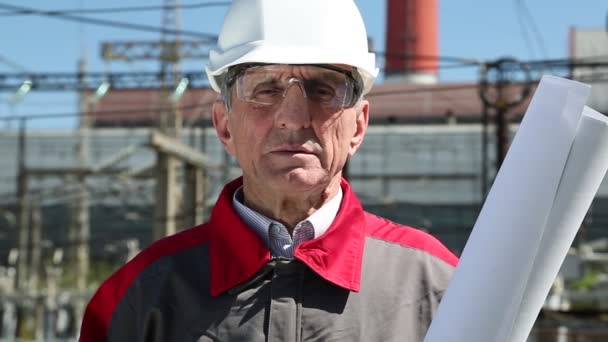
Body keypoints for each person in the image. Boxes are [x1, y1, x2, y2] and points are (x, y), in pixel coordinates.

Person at [79, 0, 458, 341]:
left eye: (323, 89)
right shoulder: (141, 295)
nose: (293, 119)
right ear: (225, 125)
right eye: (265, 90)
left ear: (357, 126)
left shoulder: (437, 285)